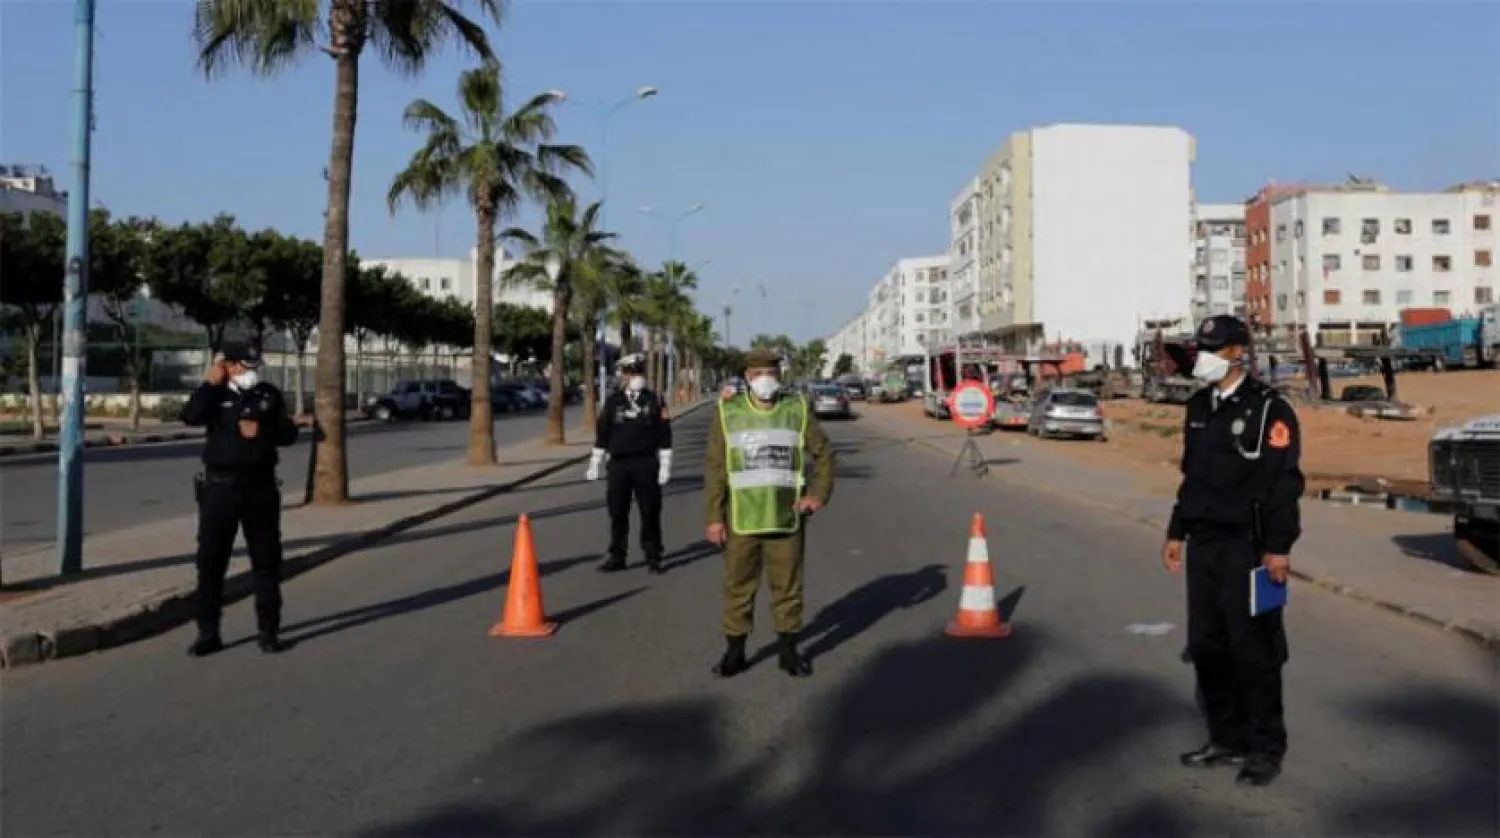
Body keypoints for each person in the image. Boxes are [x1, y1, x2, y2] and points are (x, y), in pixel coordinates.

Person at [1162, 314, 1304, 787]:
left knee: (1256, 649)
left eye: (1212, 348)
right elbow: (1192, 478)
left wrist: (1278, 548)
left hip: (1251, 547)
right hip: (1204, 545)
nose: (1200, 357)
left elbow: (1284, 483)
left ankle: (1264, 746)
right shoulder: (1199, 406)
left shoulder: (1269, 409)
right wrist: (1176, 531)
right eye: (1200, 347)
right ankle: (1225, 739)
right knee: (1208, 646)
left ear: (1236, 352)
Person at [703, 348, 836, 679]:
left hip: (785, 518)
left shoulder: (798, 408)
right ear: (748, 378)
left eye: (772, 374)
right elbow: (716, 468)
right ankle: (735, 653)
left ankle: (789, 653)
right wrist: (714, 517)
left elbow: (824, 454)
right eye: (760, 374)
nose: (767, 380)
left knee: (788, 588)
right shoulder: (727, 411)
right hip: (741, 520)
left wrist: (817, 496)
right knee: (738, 587)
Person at [179, 343, 306, 657]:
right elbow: (190, 416)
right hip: (219, 489)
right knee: (211, 563)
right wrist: (210, 381)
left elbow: (288, 434)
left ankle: (268, 631)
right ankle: (208, 633)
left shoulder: (267, 394)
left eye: (254, 367)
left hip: (260, 488)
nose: (251, 373)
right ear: (228, 365)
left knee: (266, 563)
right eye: (245, 366)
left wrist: (262, 430)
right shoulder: (215, 395)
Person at [587, 354, 673, 574]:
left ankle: (653, 556)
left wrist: (665, 466)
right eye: (628, 373)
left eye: (636, 373)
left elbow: (664, 433)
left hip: (645, 462)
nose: (631, 377)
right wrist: (594, 463)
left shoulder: (654, 400)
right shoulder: (614, 401)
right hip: (619, 464)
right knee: (617, 512)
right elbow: (603, 433)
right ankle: (617, 555)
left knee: (650, 511)